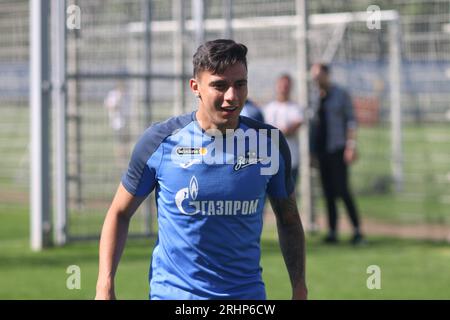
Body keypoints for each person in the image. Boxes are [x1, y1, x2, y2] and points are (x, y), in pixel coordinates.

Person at [95, 39, 307, 300]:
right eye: (219, 85)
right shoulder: (160, 142)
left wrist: (299, 287)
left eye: (240, 84)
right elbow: (119, 212)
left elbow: (288, 220)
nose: (232, 96)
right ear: (195, 87)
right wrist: (104, 286)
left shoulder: (270, 143)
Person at [310, 63, 364, 245]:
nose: (316, 79)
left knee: (342, 190)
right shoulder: (314, 96)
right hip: (321, 151)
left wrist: (351, 146)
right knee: (328, 192)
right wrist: (312, 152)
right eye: (314, 76)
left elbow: (351, 121)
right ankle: (332, 231)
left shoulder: (340, 94)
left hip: (338, 149)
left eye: (318, 75)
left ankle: (357, 231)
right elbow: (313, 126)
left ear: (327, 75)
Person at [263, 74, 303, 186]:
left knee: (287, 196)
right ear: (276, 86)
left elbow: (294, 127)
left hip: (290, 160)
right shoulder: (268, 108)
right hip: (269, 160)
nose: (284, 88)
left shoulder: (295, 108)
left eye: (286, 86)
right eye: (281, 85)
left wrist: (273, 132)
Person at [104, 81, 131, 169]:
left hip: (125, 123)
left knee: (126, 142)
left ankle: (125, 159)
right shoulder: (113, 95)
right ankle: (120, 161)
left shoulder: (126, 95)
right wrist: (118, 100)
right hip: (117, 124)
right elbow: (110, 106)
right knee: (119, 143)